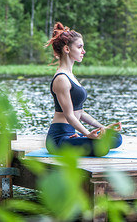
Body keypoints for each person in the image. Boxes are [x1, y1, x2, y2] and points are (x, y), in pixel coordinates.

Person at [45, 22, 122, 156]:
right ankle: (79, 140)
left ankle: (79, 140)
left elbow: (80, 112)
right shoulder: (61, 79)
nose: (83, 51)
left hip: (73, 132)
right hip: (59, 139)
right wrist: (87, 134)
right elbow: (69, 115)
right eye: (80, 47)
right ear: (67, 49)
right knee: (102, 147)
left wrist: (101, 128)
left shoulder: (70, 76)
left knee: (116, 139)